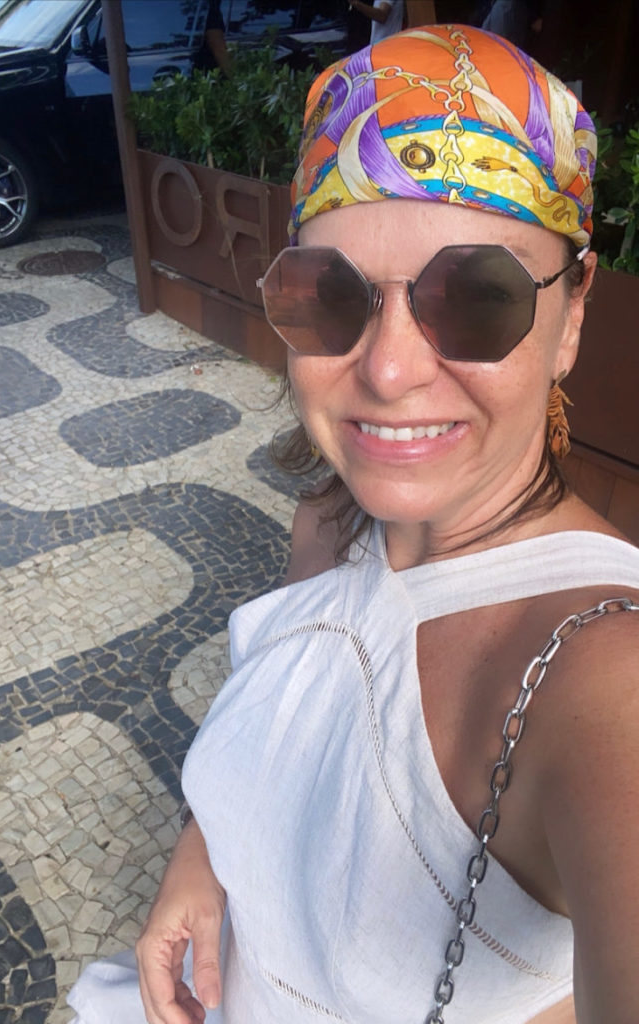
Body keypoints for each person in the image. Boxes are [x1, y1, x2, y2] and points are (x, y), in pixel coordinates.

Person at [68, 24, 639, 1024]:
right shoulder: (332, 525)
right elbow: (285, 738)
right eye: (328, 294)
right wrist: (205, 858)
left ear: (573, 314)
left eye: (479, 296)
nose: (386, 367)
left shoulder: (601, 676)